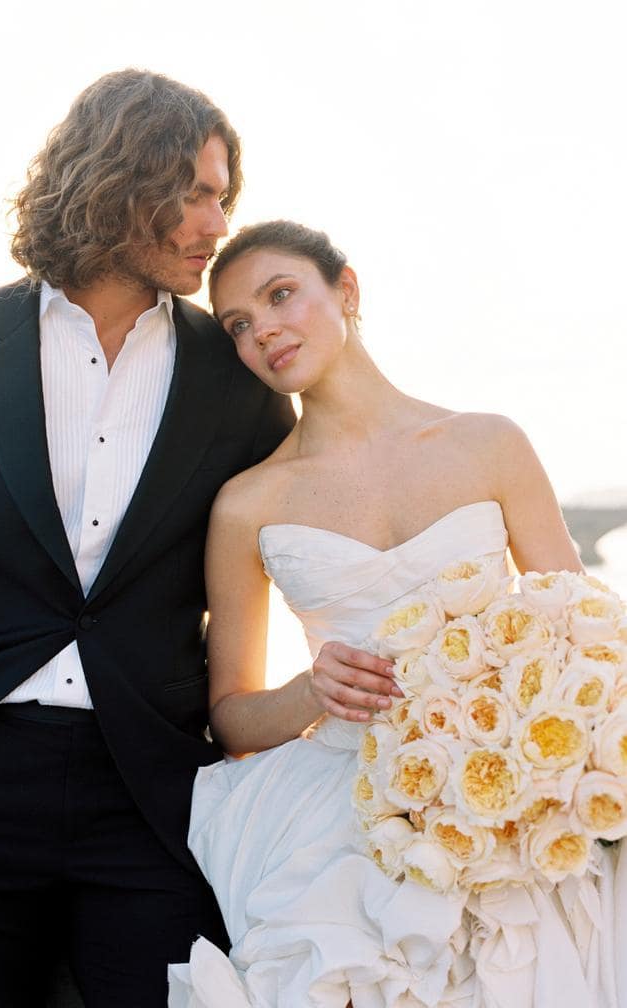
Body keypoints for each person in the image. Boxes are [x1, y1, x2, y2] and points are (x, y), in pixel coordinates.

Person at [0, 70, 298, 1007]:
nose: (218, 225)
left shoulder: (237, 381)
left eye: (224, 199)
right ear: (120, 181)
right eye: (197, 195)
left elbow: (314, 535)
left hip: (152, 796)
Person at [168, 220, 627, 1007]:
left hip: (511, 787)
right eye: (238, 324)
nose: (261, 330)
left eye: (281, 295)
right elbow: (232, 719)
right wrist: (311, 692)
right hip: (348, 807)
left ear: (346, 289)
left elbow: (587, 635)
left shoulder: (489, 443)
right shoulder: (247, 505)